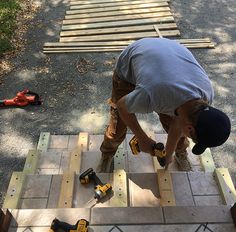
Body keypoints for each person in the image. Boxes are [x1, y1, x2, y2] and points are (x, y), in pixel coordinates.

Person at [97, 38, 231, 172]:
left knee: (173, 123)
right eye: (191, 134)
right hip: (130, 66)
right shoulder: (153, 93)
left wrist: (168, 152)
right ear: (190, 128)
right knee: (118, 125)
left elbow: (179, 123)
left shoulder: (205, 97)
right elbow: (122, 106)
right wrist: (142, 138)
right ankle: (107, 154)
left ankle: (180, 152)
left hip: (164, 58)